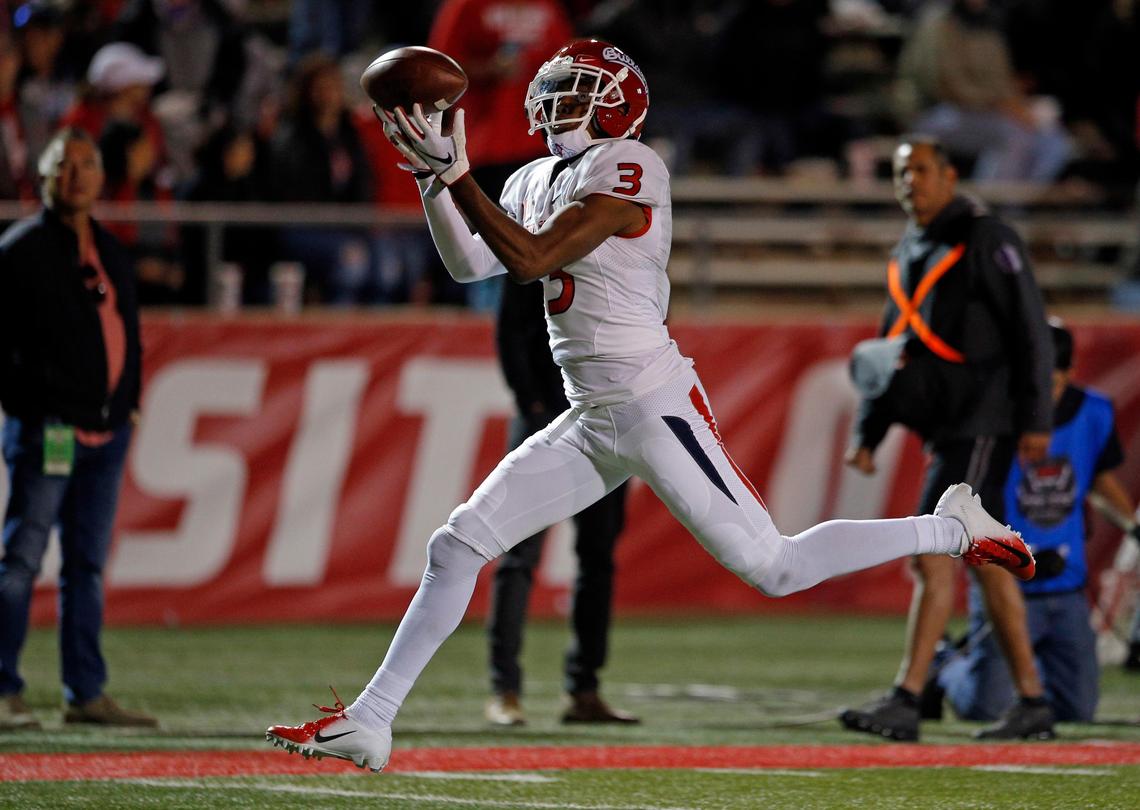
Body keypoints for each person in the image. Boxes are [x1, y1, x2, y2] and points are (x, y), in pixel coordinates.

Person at [266, 39, 1035, 772]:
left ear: (616, 104)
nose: (553, 99)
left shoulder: (632, 164)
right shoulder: (534, 176)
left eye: (575, 90)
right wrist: (436, 182)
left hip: (651, 401)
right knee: (458, 543)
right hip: (593, 412)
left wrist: (457, 174)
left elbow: (533, 258)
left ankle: (951, 524)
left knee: (776, 566)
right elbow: (471, 262)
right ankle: (371, 719)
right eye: (553, 87)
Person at [840, 134, 1056, 742]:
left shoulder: (985, 237)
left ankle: (909, 696)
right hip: (949, 427)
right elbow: (893, 345)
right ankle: (1033, 702)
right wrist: (868, 431)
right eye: (902, 173)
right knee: (985, 564)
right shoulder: (912, 246)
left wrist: (1036, 419)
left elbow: (1030, 330)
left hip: (982, 422)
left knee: (931, 552)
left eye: (923, 171)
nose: (911, 182)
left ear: (951, 175)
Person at [0, 127, 154, 730]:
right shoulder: (21, 250)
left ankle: (84, 693)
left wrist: (129, 404)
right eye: (65, 165)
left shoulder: (110, 251)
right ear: (43, 176)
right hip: (52, 429)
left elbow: (130, 336)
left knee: (86, 564)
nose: (78, 175)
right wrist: (34, 407)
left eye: (87, 165)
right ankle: (4, 688)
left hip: (106, 432)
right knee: (23, 557)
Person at [932, 320, 1134, 725]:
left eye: (1051, 385)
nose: (1041, 398)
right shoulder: (994, 417)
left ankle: (1022, 676)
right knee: (981, 707)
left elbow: (1096, 476)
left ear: (1069, 373)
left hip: (1068, 587)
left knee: (1077, 710)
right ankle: (945, 667)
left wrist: (1131, 523)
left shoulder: (1093, 411)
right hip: (1008, 583)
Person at [485, 278, 634, 727]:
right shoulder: (545, 238)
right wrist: (530, 403)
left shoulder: (617, 250)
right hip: (548, 416)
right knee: (518, 554)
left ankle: (584, 690)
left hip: (604, 419)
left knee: (598, 556)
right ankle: (504, 689)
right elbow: (511, 328)